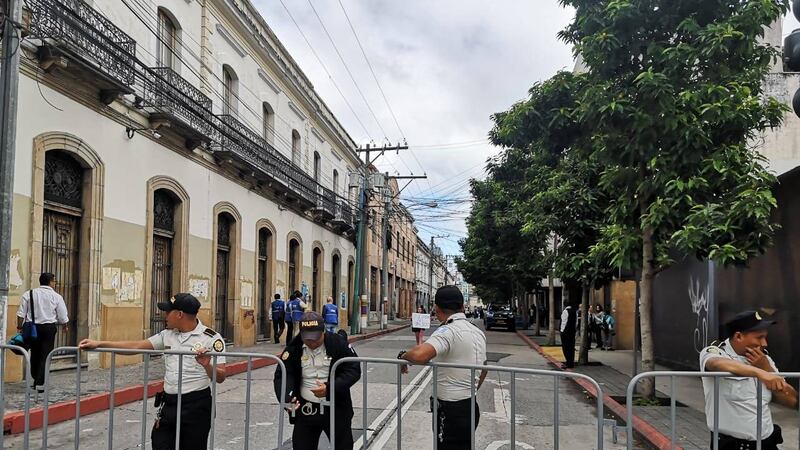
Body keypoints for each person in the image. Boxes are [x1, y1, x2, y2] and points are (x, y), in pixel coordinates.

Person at [79, 293, 227, 449]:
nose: (165, 315)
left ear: (179, 314)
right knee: (160, 443)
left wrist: (207, 365)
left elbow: (221, 376)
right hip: (169, 403)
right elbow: (136, 346)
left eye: (168, 311)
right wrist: (100, 344)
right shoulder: (167, 335)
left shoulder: (211, 339)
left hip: (196, 406)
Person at [397, 285, 488, 450]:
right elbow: (484, 368)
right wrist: (471, 389)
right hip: (470, 405)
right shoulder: (477, 332)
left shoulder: (448, 330)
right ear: (462, 306)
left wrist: (403, 356)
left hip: (450, 410)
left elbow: (420, 355)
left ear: (437, 309)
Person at [700, 311, 798, 450]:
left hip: (766, 443)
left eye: (765, 337)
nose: (764, 343)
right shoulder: (716, 352)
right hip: (733, 446)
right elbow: (715, 364)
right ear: (738, 336)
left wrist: (767, 369)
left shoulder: (764, 360)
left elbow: (792, 400)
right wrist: (760, 373)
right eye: (759, 337)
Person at [274, 311, 361, 449]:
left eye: (315, 338)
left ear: (323, 331)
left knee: (343, 446)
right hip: (306, 409)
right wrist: (286, 399)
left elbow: (353, 369)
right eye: (307, 338)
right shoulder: (294, 347)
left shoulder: (338, 343)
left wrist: (330, 387)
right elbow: (282, 374)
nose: (312, 342)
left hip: (335, 408)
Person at [16, 272, 69, 393]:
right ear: (50, 282)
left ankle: (36, 377)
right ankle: (39, 383)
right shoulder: (56, 296)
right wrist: (65, 325)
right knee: (45, 354)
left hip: (32, 328)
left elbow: (21, 313)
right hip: (48, 328)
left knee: (34, 353)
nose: (55, 284)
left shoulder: (29, 294)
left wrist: (19, 327)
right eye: (54, 281)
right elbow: (62, 315)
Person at [559, 301, 577, 369]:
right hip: (572, 332)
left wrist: (562, 331)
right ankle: (571, 362)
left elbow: (564, 322)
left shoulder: (565, 311)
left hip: (565, 332)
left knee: (566, 348)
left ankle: (568, 362)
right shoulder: (574, 312)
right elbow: (576, 322)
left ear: (564, 305)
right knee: (571, 347)